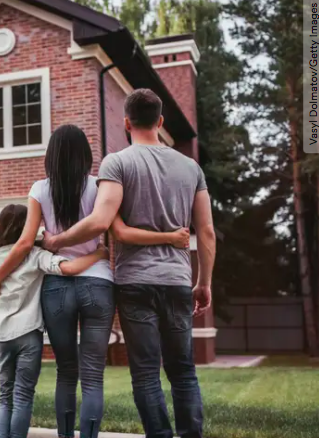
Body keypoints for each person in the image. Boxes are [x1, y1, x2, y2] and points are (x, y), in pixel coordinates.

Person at [0, 125, 188, 438]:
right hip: (98, 285)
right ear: (86, 156)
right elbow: (115, 228)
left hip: (57, 289)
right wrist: (104, 252)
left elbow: (24, 244)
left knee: (66, 372)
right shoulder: (100, 186)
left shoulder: (39, 190)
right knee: (93, 376)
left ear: (50, 157)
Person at [42, 89, 216, 438]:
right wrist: (203, 282)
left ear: (126, 122)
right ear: (161, 121)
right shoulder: (190, 167)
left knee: (146, 373)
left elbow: (100, 222)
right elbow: (207, 232)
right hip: (178, 279)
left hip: (135, 282)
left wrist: (56, 241)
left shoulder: (117, 162)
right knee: (184, 371)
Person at [0, 204, 109, 438]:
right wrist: (99, 254)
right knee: (22, 397)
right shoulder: (35, 256)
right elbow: (69, 268)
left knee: (4, 397)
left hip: (0, 337)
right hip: (28, 335)